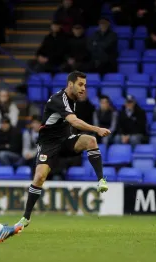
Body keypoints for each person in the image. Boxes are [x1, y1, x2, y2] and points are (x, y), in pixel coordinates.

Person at [15, 71, 111, 230]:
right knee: (39, 177)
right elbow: (73, 121)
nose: (83, 88)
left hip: (66, 140)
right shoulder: (58, 99)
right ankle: (25, 218)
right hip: (48, 144)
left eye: (85, 85)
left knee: (91, 141)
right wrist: (97, 128)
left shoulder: (73, 99)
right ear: (70, 84)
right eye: (80, 84)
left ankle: (101, 180)